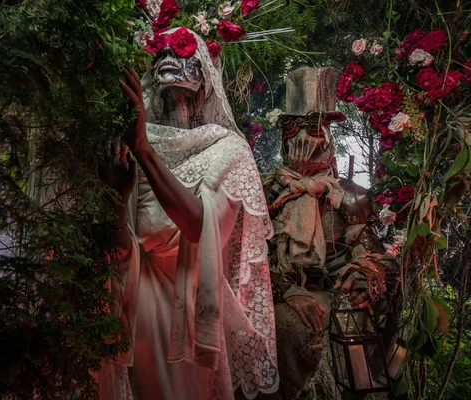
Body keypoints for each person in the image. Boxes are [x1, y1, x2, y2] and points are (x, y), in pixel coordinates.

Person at [97, 28, 278, 400]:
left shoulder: (229, 149)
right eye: (160, 54)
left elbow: (201, 227)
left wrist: (144, 150)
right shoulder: (136, 137)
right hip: (133, 305)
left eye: (182, 53)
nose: (170, 61)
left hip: (190, 313)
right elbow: (120, 243)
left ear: (207, 76)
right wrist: (120, 194)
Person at [264, 68, 396, 399]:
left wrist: (365, 275)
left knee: (359, 325)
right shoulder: (265, 193)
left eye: (321, 126)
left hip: (336, 296)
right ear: (285, 135)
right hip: (281, 294)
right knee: (287, 328)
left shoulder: (349, 194)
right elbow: (248, 256)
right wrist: (284, 291)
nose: (313, 136)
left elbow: (368, 250)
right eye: (302, 125)